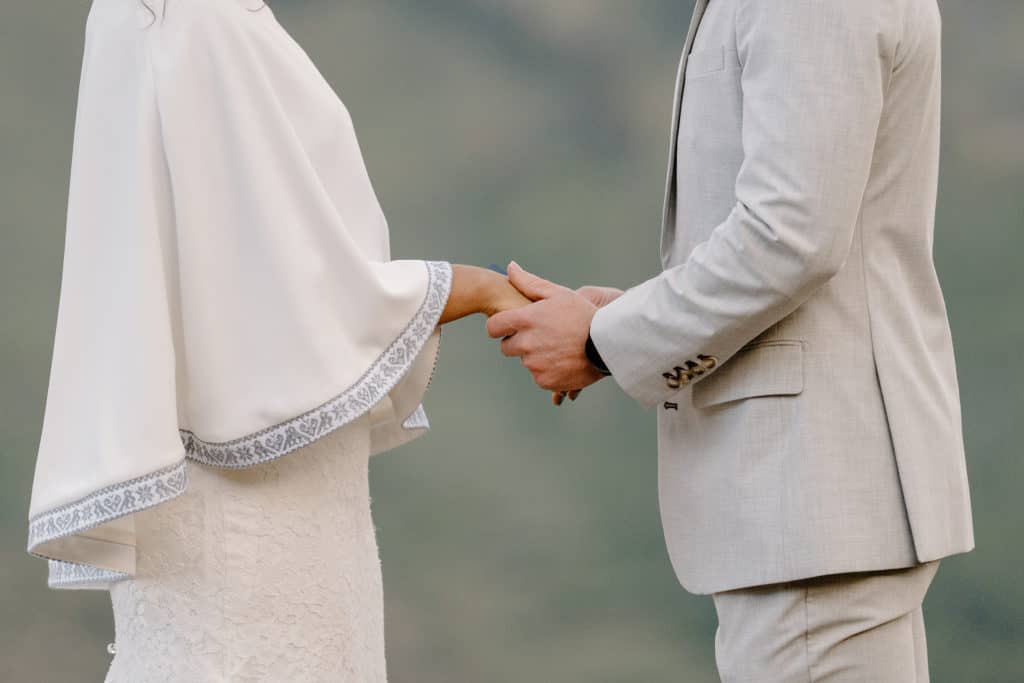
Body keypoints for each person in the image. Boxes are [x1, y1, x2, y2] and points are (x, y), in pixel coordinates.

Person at [26, 0, 528, 680]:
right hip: (249, 518)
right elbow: (278, 286)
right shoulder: (197, 17)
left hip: (251, 493)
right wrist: (474, 286)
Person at [488, 0, 974, 680]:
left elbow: (790, 235)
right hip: (812, 517)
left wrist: (604, 340)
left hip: (812, 507)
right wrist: (627, 319)